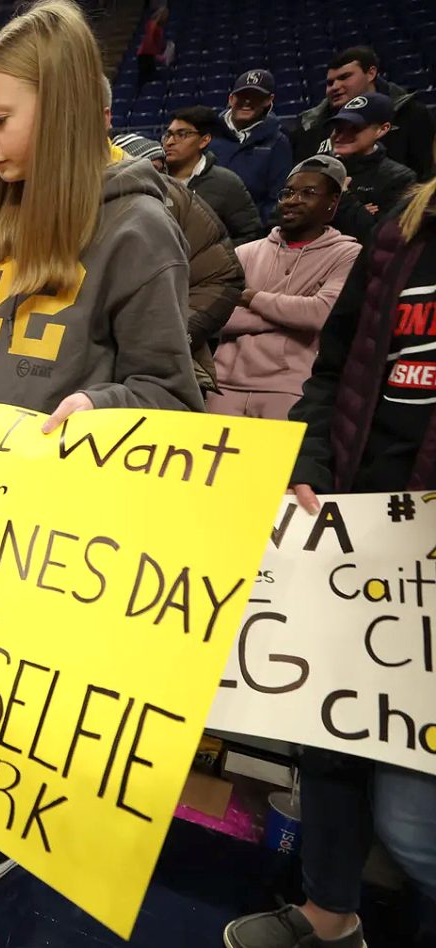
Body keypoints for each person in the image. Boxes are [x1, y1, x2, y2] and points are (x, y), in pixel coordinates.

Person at [0, 0, 203, 886]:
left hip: (57, 524)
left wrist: (103, 404)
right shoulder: (2, 216)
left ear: (57, 112)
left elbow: (173, 394)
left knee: (24, 680)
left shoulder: (139, 229)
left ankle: (3, 809)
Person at [223, 178, 436, 948]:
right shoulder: (403, 229)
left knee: (413, 822)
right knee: (332, 738)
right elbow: (335, 357)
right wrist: (310, 453)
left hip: (428, 544)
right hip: (355, 519)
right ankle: (328, 914)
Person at [208, 156, 360, 421]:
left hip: (291, 390)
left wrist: (250, 297)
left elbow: (320, 314)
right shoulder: (244, 253)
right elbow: (215, 315)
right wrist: (288, 315)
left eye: (307, 193)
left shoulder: (347, 254)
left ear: (332, 203)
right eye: (287, 193)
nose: (292, 200)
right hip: (224, 386)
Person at [112, 133, 243, 397]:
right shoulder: (83, 197)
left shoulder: (180, 200)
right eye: (148, 166)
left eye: (161, 169)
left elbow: (222, 276)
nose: (155, 177)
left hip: (161, 364)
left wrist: (174, 332)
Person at [292, 46, 435, 179]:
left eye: (344, 77)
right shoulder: (310, 126)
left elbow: (426, 176)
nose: (335, 87)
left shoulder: (411, 114)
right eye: (330, 83)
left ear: (371, 73)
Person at [163, 106, 263, 245]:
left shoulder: (227, 183)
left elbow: (251, 235)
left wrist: (213, 258)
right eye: (168, 135)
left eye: (182, 134)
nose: (169, 142)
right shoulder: (154, 180)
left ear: (204, 140)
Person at [209, 69, 294, 227]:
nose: (247, 101)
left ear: (268, 100)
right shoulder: (208, 134)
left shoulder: (278, 142)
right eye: (242, 95)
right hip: (203, 228)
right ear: (231, 98)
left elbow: (277, 197)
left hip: (249, 235)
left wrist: (254, 228)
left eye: (255, 96)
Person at [328, 92, 417, 222]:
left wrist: (344, 198)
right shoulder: (319, 168)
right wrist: (361, 213)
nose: (340, 137)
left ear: (382, 130)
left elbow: (384, 235)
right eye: (338, 129)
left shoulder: (399, 178)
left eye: (354, 129)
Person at [136, 7, 168, 89]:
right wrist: (155, 54)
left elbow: (158, 43)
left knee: (152, 77)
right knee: (146, 77)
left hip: (149, 54)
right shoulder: (152, 25)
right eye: (164, 15)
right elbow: (149, 41)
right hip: (145, 54)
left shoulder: (159, 28)